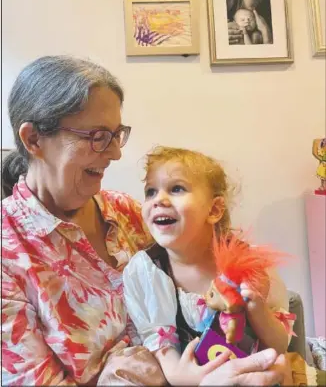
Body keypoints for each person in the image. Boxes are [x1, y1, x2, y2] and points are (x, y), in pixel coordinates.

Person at [2, 55, 291, 386]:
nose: (115, 154)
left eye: (116, 134)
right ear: (34, 140)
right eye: (97, 136)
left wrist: (269, 353)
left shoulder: (126, 212)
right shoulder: (8, 253)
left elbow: (217, 277)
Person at [123, 146, 294, 386]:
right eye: (150, 192)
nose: (159, 200)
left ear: (214, 210)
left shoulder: (249, 264)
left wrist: (258, 311)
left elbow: (278, 346)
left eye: (176, 189)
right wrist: (186, 378)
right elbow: (162, 349)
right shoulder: (146, 271)